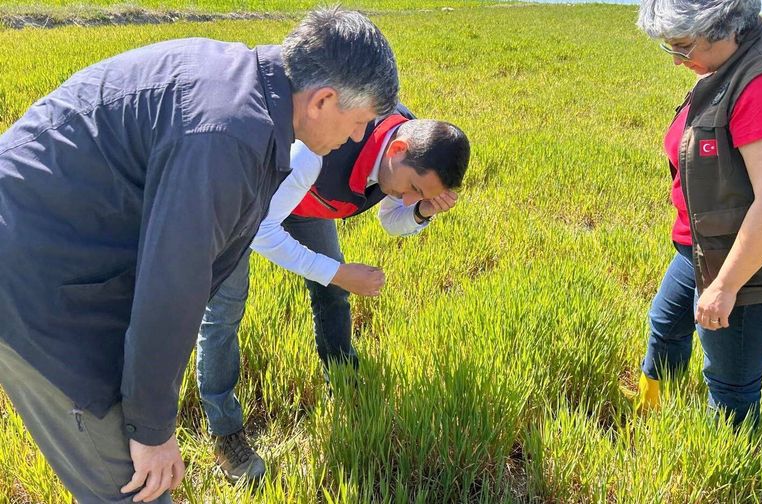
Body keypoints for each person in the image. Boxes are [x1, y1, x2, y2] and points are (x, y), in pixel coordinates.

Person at [0, 7, 398, 503]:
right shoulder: (228, 136)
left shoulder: (241, 89)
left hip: (58, 251)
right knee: (136, 489)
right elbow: (173, 285)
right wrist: (151, 430)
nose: (357, 138)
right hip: (34, 281)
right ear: (323, 100)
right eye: (359, 123)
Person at [195, 105, 470, 483]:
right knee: (225, 312)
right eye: (415, 189)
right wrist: (339, 273)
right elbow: (260, 230)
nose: (408, 199)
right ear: (397, 150)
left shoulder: (406, 148)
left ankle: (343, 382)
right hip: (241, 194)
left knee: (332, 292)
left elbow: (392, 219)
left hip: (304, 195)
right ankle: (226, 434)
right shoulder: (319, 149)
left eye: (419, 194)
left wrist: (421, 210)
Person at [632, 0, 762, 428]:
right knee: (665, 325)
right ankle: (654, 411)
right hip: (703, 247)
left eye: (683, 46)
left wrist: (725, 288)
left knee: (730, 383)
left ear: (724, 27)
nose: (677, 61)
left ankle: (725, 455)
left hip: (751, 265)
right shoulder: (728, 59)